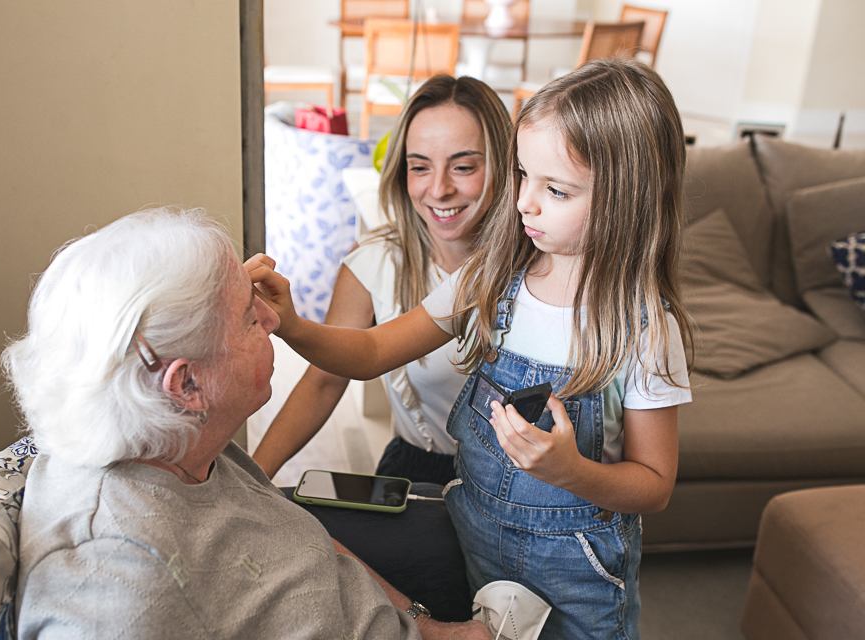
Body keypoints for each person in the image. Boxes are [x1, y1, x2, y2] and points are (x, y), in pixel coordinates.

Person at [248, 59, 695, 640]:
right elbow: (373, 350)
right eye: (522, 176)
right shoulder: (490, 276)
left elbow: (655, 485)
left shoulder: (644, 329)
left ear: (625, 197)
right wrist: (292, 326)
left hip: (576, 576)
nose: (525, 203)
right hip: (475, 540)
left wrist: (572, 471)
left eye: (555, 189)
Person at [5, 208, 491, 639]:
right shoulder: (119, 595)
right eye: (247, 317)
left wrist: (424, 626)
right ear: (187, 385)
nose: (272, 319)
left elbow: (300, 540)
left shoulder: (187, 440)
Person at [252, 74, 511, 485]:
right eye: (420, 167)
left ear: (504, 166)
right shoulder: (375, 262)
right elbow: (324, 380)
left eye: (463, 167)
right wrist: (254, 479)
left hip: (531, 483)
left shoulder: (540, 262)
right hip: (423, 471)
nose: (439, 189)